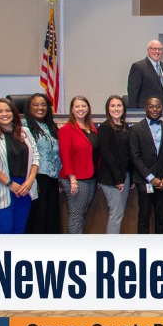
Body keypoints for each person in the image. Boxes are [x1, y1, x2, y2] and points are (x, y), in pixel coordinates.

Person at [0, 99, 39, 234]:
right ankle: (2, 256)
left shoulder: (25, 132)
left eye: (7, 110)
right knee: (4, 230)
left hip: (25, 188)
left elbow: (35, 157)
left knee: (19, 230)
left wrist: (30, 181)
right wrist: (9, 183)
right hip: (2, 186)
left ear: (13, 112)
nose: (4, 114)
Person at [129, 96, 163, 234]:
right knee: (144, 218)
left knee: (161, 218)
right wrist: (151, 178)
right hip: (144, 181)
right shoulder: (136, 129)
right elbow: (135, 157)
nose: (155, 109)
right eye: (151, 106)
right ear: (145, 108)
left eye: (158, 106)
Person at [58, 95, 100, 234]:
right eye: (77, 106)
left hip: (91, 177)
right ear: (72, 109)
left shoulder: (92, 128)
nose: (81, 109)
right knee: (76, 214)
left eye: (83, 106)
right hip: (76, 179)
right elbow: (65, 156)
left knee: (82, 212)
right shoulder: (66, 129)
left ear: (88, 109)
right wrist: (72, 179)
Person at [23, 93, 62, 233]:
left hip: (52, 178)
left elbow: (57, 153)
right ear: (29, 107)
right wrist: (31, 179)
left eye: (43, 105)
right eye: (36, 104)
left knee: (50, 216)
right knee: (37, 216)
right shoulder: (24, 127)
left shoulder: (50, 127)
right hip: (35, 178)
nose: (40, 108)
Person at [97, 95, 131, 234]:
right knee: (116, 214)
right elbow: (107, 155)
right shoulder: (105, 127)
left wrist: (130, 178)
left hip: (125, 176)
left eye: (119, 105)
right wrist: (118, 179)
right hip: (112, 178)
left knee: (119, 213)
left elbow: (127, 154)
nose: (116, 108)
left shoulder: (125, 126)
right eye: (112, 106)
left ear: (123, 108)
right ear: (107, 109)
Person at [128, 40, 163, 111]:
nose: (157, 51)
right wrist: (133, 113)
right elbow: (133, 92)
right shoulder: (138, 67)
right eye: (154, 49)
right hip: (145, 110)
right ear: (148, 50)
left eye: (159, 49)